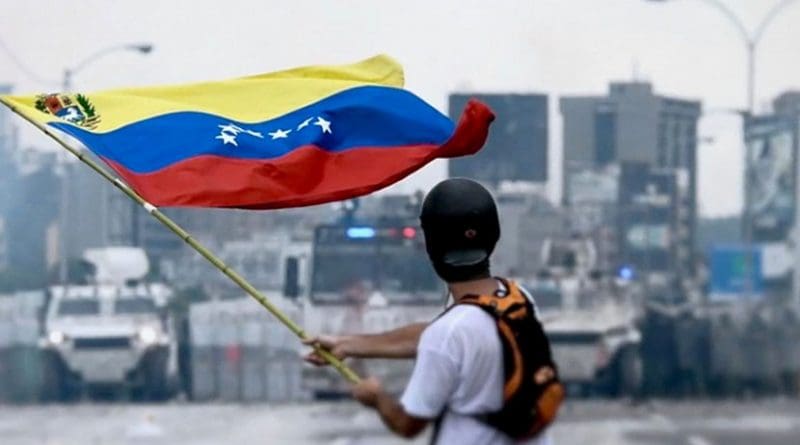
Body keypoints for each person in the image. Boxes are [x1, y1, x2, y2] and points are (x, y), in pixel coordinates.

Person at [305, 178, 555, 444]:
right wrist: (348, 344)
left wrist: (376, 397)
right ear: (493, 237)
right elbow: (443, 336)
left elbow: (407, 424)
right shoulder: (518, 299)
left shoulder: (448, 335)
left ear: (431, 247)